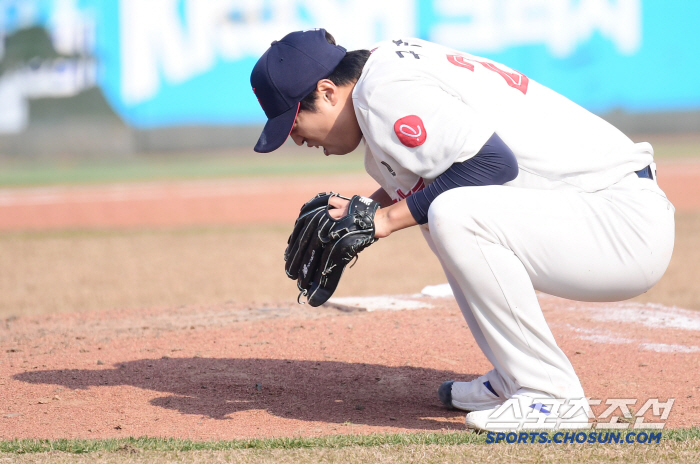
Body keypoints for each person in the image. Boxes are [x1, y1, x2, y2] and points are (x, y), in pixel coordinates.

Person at [249, 29, 675, 431]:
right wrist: (368, 208)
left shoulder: (382, 93)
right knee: (438, 206)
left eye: (293, 123)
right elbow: (438, 171)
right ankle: (516, 376)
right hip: (602, 210)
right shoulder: (382, 73)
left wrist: (385, 220)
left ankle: (551, 395)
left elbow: (493, 165)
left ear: (327, 91)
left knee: (451, 212)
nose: (297, 139)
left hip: (621, 222)